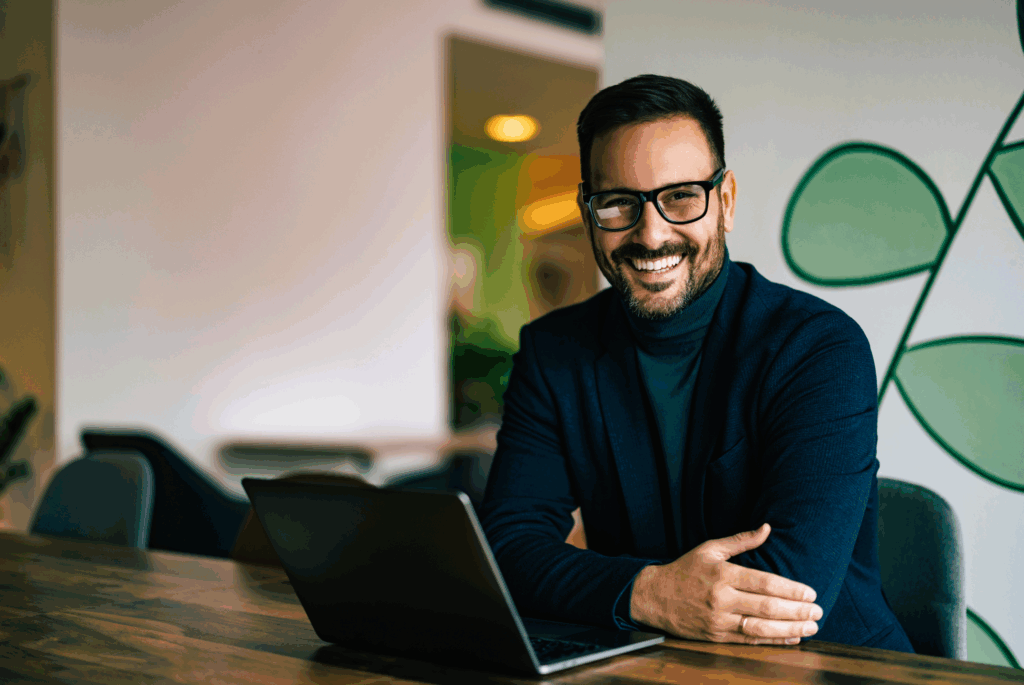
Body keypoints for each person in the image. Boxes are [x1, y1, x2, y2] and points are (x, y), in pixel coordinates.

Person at [479, 74, 914, 651]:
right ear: (589, 213)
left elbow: (789, 589)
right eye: (618, 203)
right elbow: (507, 550)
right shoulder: (553, 352)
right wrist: (647, 592)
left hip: (834, 666)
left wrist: (607, 589)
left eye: (681, 196)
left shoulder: (819, 348)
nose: (651, 234)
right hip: (649, 662)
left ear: (725, 201)